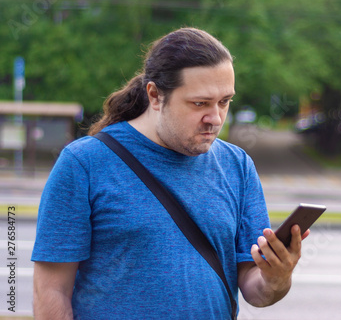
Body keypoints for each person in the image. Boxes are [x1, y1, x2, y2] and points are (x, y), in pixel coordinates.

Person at [31, 27, 309, 319]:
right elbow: (51, 292)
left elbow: (254, 288)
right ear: (155, 96)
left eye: (224, 102)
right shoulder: (83, 163)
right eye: (199, 103)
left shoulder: (237, 165)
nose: (215, 118)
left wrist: (276, 278)